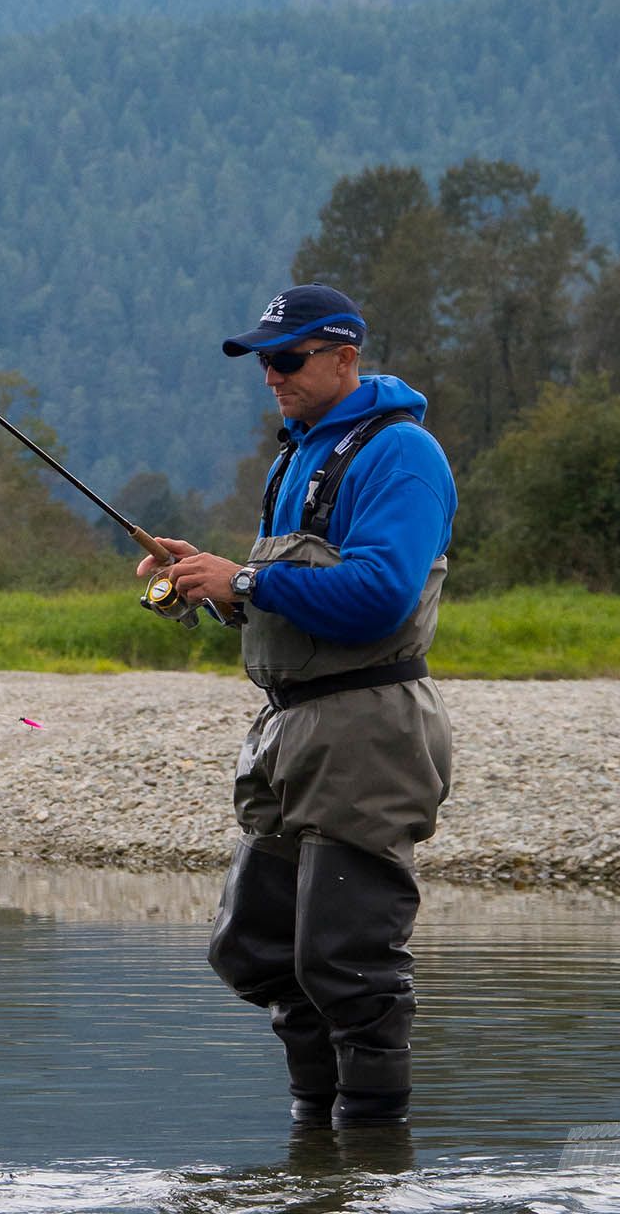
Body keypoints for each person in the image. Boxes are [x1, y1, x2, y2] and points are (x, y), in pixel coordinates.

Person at [136, 283, 456, 1129]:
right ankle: (316, 1142)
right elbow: (288, 594)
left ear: (345, 359)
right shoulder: (298, 453)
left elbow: (381, 595)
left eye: (286, 358)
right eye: (261, 361)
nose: (269, 375)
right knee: (254, 950)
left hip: (369, 728)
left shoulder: (401, 454)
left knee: (347, 962)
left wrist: (244, 578)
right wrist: (210, 585)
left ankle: (370, 1151)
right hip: (287, 728)